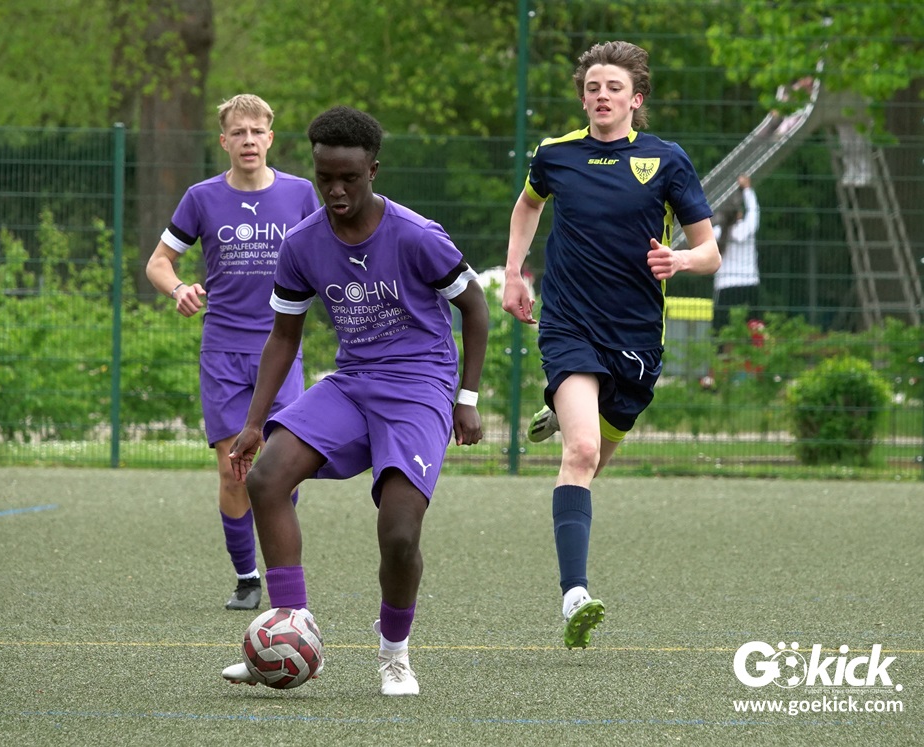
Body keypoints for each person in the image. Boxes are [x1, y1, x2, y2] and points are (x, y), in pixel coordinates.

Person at [220, 106, 489, 696]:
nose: (336, 191)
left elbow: (474, 307)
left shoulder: (417, 235)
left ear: (373, 170)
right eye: (325, 179)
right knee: (266, 479)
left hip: (420, 386)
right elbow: (283, 336)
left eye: (349, 178)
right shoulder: (302, 244)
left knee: (399, 534)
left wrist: (465, 398)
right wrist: (255, 422)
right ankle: (292, 628)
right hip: (354, 381)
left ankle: (394, 654)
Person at [501, 41, 720, 649]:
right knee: (581, 451)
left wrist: (679, 259)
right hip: (569, 325)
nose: (602, 96)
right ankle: (575, 594)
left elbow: (709, 250)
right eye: (593, 87)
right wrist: (515, 273)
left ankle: (568, 406)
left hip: (636, 338)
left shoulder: (666, 160)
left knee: (593, 463)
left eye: (614, 88)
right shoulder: (555, 155)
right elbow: (527, 207)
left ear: (635, 98)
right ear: (583, 98)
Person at [145, 94, 319, 612]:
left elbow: (329, 248)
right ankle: (247, 577)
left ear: (270, 138)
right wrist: (179, 289)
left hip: (281, 348)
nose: (248, 140)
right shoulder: (201, 198)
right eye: (238, 132)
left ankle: (281, 566)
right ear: (224, 141)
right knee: (232, 470)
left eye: (256, 131)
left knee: (282, 468)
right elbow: (158, 262)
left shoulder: (300, 193)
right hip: (222, 349)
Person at [712, 174, 760, 335]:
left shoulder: (716, 233)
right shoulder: (747, 228)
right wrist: (747, 189)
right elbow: (754, 211)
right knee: (754, 332)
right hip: (749, 285)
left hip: (725, 288)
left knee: (722, 334)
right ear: (739, 214)